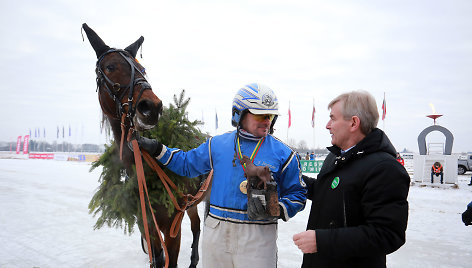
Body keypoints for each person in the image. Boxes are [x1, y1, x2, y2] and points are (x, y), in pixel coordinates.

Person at [136, 83, 307, 268]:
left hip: (258, 235)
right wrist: (157, 149)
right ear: (239, 114)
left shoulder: (285, 154)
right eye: (260, 115)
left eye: (271, 116)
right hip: (216, 233)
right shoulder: (217, 144)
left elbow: (298, 194)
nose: (267, 121)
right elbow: (187, 164)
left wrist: (279, 208)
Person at [293, 90, 410, 268]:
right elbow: (325, 193)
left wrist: (322, 241)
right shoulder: (335, 156)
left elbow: (387, 234)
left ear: (354, 123)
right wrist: (289, 178)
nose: (327, 125)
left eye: (333, 118)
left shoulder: (385, 168)